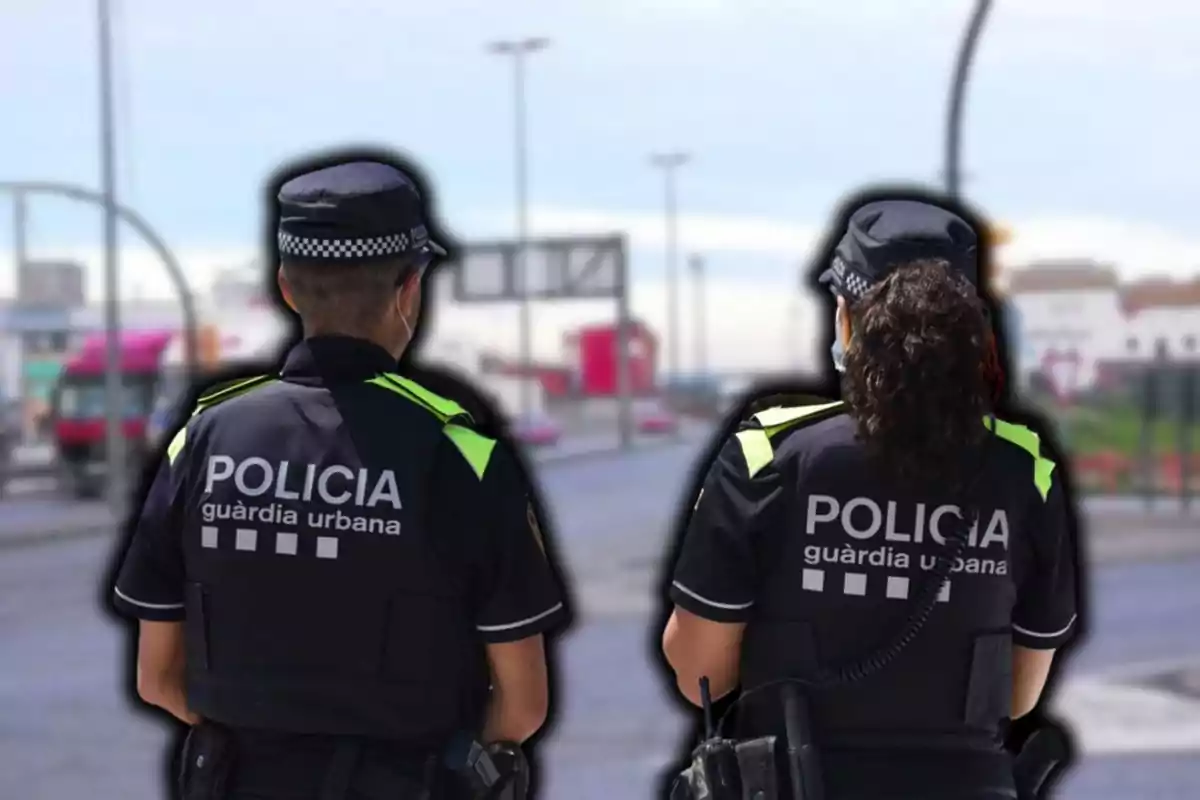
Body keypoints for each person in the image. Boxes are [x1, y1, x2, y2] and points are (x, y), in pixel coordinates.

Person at [109, 157, 570, 800]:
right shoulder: (462, 454)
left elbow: (157, 679)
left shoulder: (203, 438)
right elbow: (521, 708)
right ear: (409, 291)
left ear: (287, 287)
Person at [659, 199, 1080, 800]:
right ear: (969, 332)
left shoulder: (768, 454)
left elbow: (699, 671)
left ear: (846, 320)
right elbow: (1017, 695)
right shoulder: (1025, 469)